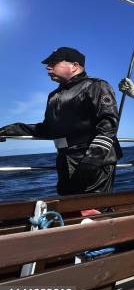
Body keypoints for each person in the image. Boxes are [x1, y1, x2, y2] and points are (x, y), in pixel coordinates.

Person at [0, 47, 121, 195]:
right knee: (69, 209)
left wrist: (92, 161)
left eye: (54, 62)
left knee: (93, 211)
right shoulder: (53, 96)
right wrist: (9, 130)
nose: (48, 67)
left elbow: (108, 124)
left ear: (75, 66)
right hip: (65, 162)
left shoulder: (96, 86)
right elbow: (47, 129)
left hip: (94, 162)